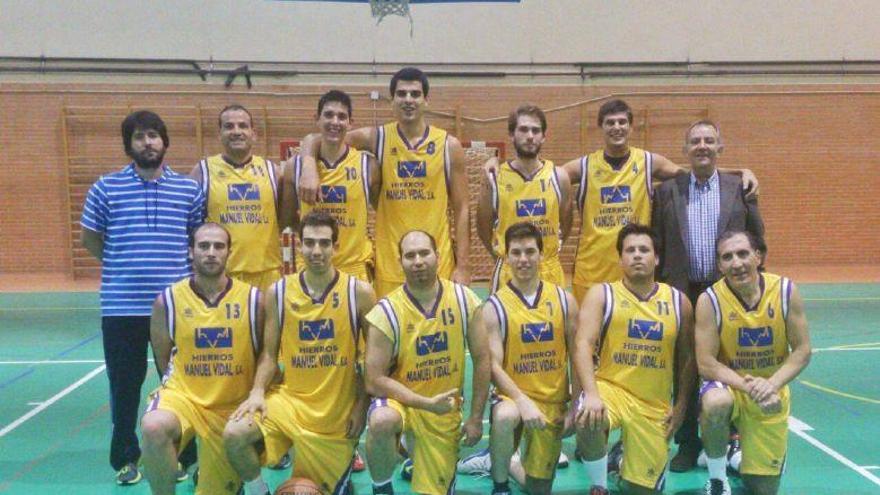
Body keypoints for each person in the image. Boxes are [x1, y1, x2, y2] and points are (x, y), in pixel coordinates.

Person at [81, 110, 205, 484]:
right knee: (124, 384)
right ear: (128, 145)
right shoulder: (105, 188)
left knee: (181, 383)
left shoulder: (188, 190)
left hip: (174, 308)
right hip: (122, 307)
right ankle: (126, 457)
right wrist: (125, 264)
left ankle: (182, 454)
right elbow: (91, 240)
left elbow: (196, 241)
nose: (147, 142)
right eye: (139, 137)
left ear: (164, 142)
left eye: (153, 135)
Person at [223, 211, 375, 495]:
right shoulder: (278, 292)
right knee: (234, 434)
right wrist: (257, 391)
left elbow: (371, 362)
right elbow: (269, 355)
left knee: (309, 492)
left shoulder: (360, 292)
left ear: (336, 247)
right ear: (299, 246)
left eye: (324, 243)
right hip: (289, 403)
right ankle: (259, 491)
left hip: (335, 415)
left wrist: (361, 405)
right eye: (309, 243)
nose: (316, 251)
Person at [298, 67, 471, 297]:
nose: (408, 99)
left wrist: (464, 266)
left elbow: (462, 208)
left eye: (415, 94)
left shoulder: (448, 145)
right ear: (392, 101)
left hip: (436, 262)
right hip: (390, 266)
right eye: (401, 94)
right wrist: (308, 163)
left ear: (426, 101)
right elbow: (322, 138)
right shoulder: (376, 138)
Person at [651, 120, 765, 471]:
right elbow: (657, 242)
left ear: (721, 148)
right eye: (695, 141)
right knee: (683, 368)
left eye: (709, 141)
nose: (702, 146)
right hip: (682, 293)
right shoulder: (667, 190)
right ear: (685, 150)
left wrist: (749, 288)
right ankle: (687, 444)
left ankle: (730, 441)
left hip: (724, 292)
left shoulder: (739, 188)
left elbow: (757, 240)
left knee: (729, 363)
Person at [363, 230, 491, 495]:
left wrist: (476, 417)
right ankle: (382, 488)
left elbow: (482, 359)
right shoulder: (387, 311)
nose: (418, 261)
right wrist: (424, 403)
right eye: (410, 255)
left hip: (443, 411)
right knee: (382, 419)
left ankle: (415, 458)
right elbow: (373, 379)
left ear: (438, 256)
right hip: (402, 403)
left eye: (424, 253)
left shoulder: (464, 299)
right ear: (400, 262)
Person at [574, 223, 696, 494]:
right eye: (630, 250)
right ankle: (599, 486)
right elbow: (582, 344)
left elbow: (688, 360)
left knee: (640, 490)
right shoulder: (602, 295)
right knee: (588, 419)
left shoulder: (679, 302)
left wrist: (682, 407)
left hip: (653, 403)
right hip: (611, 390)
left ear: (657, 258)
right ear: (620, 259)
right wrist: (591, 394)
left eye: (644, 250)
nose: (637, 255)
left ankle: (621, 462)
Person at [141, 223, 262, 495]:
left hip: (231, 406)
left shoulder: (254, 300)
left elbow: (266, 354)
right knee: (153, 426)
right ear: (190, 251)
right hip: (185, 398)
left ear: (230, 252)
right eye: (203, 246)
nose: (211, 252)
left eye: (219, 246)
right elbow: (163, 358)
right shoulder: (167, 301)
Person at [696, 231, 811, 495]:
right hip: (729, 384)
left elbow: (803, 350)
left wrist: (771, 385)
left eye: (743, 253)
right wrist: (752, 388)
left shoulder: (785, 291)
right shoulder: (709, 300)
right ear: (719, 266)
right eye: (727, 257)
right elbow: (707, 364)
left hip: (770, 387)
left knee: (763, 489)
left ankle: (733, 454)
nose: (736, 263)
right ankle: (717, 479)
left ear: (758, 257)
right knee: (715, 403)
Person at [481, 222, 579, 495]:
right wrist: (522, 401)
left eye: (529, 252)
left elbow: (577, 356)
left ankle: (503, 463)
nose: (523, 259)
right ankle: (500, 486)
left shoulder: (564, 300)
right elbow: (493, 367)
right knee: (504, 416)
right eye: (516, 253)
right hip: (512, 397)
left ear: (541, 254)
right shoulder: (494, 306)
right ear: (506, 256)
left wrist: (575, 406)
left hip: (552, 401)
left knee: (538, 490)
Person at [282, 90, 378, 282]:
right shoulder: (296, 166)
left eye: (342, 117)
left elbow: (383, 211)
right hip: (310, 269)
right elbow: (287, 219)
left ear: (350, 123)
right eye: (328, 115)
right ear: (317, 119)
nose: (335, 121)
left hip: (354, 270)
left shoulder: (368, 166)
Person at [477, 105, 573, 293]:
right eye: (523, 129)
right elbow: (482, 226)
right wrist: (501, 255)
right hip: (509, 271)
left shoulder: (559, 176)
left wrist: (551, 250)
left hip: (549, 269)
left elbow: (567, 222)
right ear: (511, 135)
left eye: (536, 130)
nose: (530, 136)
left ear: (543, 136)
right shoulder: (495, 177)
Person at [191, 104, 283, 291]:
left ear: (253, 133)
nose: (236, 131)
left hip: (267, 275)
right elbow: (192, 226)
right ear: (220, 134)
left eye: (243, 126)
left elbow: (286, 218)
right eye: (229, 126)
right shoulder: (202, 172)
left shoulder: (273, 172)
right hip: (222, 276)